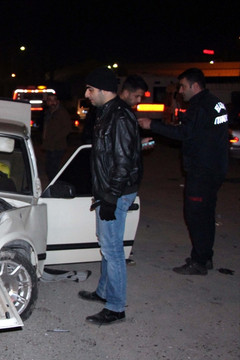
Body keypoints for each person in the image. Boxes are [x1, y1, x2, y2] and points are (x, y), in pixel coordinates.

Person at [138, 68, 228, 275]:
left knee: (195, 215)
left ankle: (199, 262)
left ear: (195, 86)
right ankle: (205, 256)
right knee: (206, 214)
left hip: (202, 170)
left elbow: (185, 133)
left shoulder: (200, 107)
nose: (180, 91)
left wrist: (153, 125)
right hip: (215, 168)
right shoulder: (215, 103)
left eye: (183, 86)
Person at [78, 67, 142, 325]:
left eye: (90, 89)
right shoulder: (106, 113)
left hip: (116, 192)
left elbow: (123, 162)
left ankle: (116, 307)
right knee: (106, 245)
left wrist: (112, 197)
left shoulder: (120, 116)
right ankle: (104, 292)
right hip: (107, 190)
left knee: (113, 249)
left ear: (104, 90)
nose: (87, 94)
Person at [42, 93, 71, 181]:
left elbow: (67, 128)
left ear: (57, 101)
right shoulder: (48, 113)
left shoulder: (62, 113)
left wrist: (56, 139)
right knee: (49, 167)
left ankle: (55, 185)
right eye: (50, 100)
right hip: (49, 146)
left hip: (58, 146)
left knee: (53, 168)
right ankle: (53, 184)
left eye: (54, 100)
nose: (52, 102)